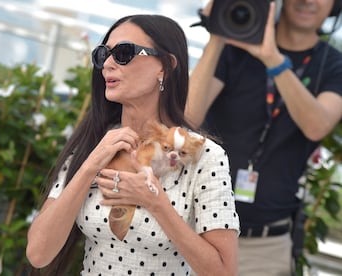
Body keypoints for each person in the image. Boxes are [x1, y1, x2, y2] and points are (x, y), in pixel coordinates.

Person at [26, 14, 240, 275]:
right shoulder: (96, 143)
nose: (108, 63)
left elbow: (224, 272)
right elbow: (38, 253)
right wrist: (91, 164)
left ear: (166, 66)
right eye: (103, 54)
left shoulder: (205, 156)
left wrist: (157, 204)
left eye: (123, 53)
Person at [186, 0, 342, 275]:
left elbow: (316, 125)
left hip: (264, 247)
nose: (307, 1)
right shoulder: (235, 49)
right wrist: (218, 37)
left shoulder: (333, 65)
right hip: (195, 230)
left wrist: (273, 60)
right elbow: (187, 118)